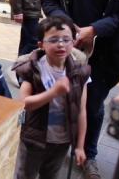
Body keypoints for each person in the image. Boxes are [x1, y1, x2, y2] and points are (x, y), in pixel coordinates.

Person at [41, 0, 119, 178]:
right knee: (59, 98)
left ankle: (88, 154)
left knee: (93, 103)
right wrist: (68, 26)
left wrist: (96, 29)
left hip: (107, 53)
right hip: (67, 49)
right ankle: (56, 146)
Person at [12, 16, 90, 179]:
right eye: (53, 39)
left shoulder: (80, 72)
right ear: (41, 44)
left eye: (66, 39)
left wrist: (80, 146)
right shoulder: (32, 68)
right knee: (25, 174)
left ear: (73, 42)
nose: (61, 44)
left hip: (62, 141)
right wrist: (53, 92)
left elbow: (82, 111)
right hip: (33, 139)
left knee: (51, 175)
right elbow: (24, 103)